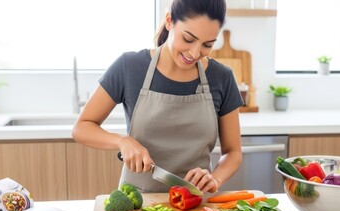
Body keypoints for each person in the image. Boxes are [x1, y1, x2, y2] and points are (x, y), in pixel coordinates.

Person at [72, 0, 243, 194]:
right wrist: (122, 141)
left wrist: (215, 178)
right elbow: (82, 127)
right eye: (188, 39)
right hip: (136, 205)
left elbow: (233, 152)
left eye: (207, 44)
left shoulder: (222, 77)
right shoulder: (130, 67)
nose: (195, 53)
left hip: (195, 208)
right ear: (169, 21)